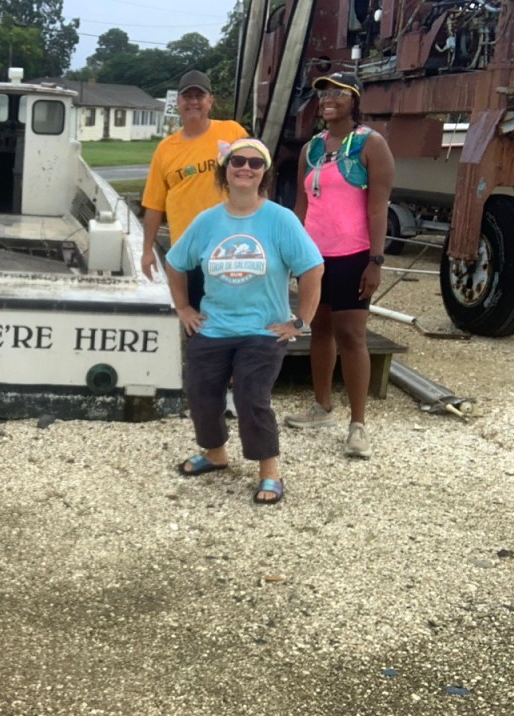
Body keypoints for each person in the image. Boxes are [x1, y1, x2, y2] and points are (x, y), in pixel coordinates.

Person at [165, 139, 324, 504]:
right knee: (201, 392)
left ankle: (270, 472)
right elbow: (175, 262)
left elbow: (313, 267)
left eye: (255, 163)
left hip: (262, 330)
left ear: (264, 173)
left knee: (253, 396)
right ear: (226, 168)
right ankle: (215, 453)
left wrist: (300, 322)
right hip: (214, 325)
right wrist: (184, 309)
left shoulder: (280, 220)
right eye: (238, 161)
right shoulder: (207, 221)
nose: (246, 168)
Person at [283, 72, 395, 459]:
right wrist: (293, 252)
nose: (328, 99)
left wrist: (375, 261)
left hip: (353, 254)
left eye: (338, 93)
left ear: (355, 99)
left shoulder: (371, 144)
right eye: (324, 94)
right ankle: (321, 405)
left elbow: (378, 207)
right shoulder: (311, 147)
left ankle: (358, 425)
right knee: (320, 330)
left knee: (352, 336)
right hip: (315, 257)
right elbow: (302, 205)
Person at [141, 70, 247, 297]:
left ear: (210, 101)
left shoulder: (233, 131)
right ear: (177, 102)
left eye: (199, 96)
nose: (193, 102)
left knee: (233, 317)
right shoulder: (165, 149)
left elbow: (257, 179)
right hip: (187, 250)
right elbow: (153, 205)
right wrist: (147, 250)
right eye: (187, 96)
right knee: (193, 318)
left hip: (231, 247)